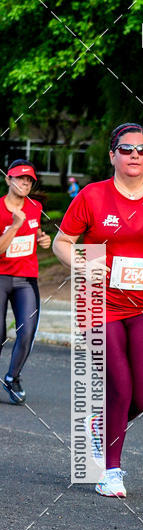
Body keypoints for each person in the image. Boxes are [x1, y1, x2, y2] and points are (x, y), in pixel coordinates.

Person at [53, 123, 143, 497]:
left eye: (142, 150)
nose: (135, 155)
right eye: (126, 149)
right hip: (98, 301)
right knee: (120, 385)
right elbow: (62, 242)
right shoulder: (93, 195)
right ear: (112, 154)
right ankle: (110, 471)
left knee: (141, 397)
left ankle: (100, 425)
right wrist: (82, 264)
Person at [0, 160, 51, 404]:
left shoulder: (35, 207)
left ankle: (12, 377)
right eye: (20, 178)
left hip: (25, 279)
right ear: (8, 179)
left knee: (27, 331)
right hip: (1, 277)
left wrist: (42, 238)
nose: (25, 183)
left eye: (29, 179)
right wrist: (14, 226)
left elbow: (35, 231)